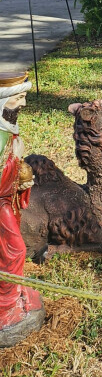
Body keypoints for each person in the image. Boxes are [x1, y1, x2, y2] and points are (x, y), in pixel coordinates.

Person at [0, 72, 45, 348]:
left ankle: (10, 293)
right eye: (19, 98)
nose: (24, 104)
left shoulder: (6, 128)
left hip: (7, 199)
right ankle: (5, 306)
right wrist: (16, 175)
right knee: (14, 250)